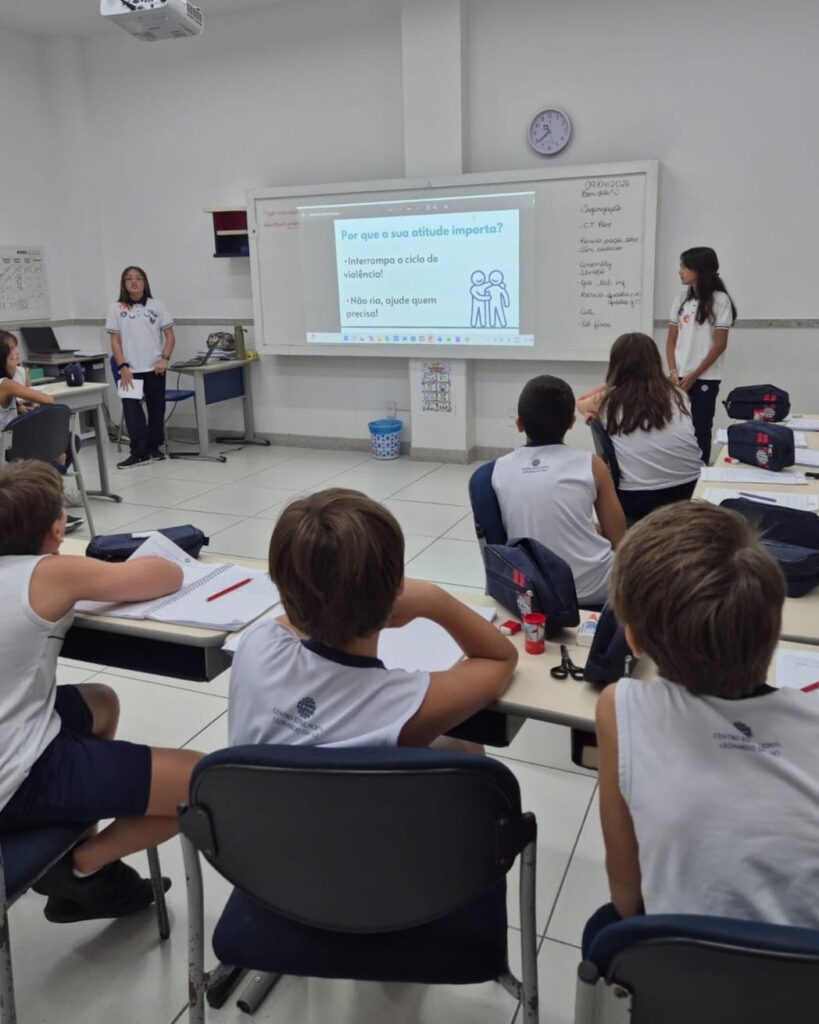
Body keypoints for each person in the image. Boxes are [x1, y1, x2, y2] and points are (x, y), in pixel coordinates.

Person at [589, 502, 819, 953]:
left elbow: (627, 899)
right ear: (774, 628)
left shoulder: (620, 707)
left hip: (675, 972)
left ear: (633, 640)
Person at [0, 460, 201, 922]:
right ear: (57, 531)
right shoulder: (50, 574)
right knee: (204, 784)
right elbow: (164, 575)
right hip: (16, 776)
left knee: (100, 702)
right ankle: (83, 865)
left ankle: (80, 852)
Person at [228, 488, 517, 749]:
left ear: (280, 584)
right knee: (466, 745)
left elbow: (300, 613)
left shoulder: (257, 644)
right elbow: (500, 659)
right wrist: (433, 599)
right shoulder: (402, 705)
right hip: (368, 793)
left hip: (253, 793)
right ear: (398, 587)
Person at [491, 375, 625, 607]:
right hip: (596, 588)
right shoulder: (592, 465)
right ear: (572, 422)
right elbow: (619, 539)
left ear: (519, 424)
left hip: (532, 590)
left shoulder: (499, 469)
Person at [576, 333, 702, 522]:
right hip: (692, 489)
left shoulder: (609, 400)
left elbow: (580, 402)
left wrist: (612, 383)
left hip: (640, 498)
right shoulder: (678, 395)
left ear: (616, 365)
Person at [0, 336, 84, 532]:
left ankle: (47, 495)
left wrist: (21, 408)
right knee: (60, 446)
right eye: (12, 358)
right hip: (7, 447)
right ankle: (50, 502)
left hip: (10, 442)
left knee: (67, 443)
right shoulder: (6, 383)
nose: (16, 361)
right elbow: (47, 400)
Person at [666, 246, 737, 463]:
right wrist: (673, 372)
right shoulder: (681, 300)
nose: (680, 271)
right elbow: (671, 341)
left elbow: (720, 344)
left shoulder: (720, 300)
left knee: (701, 429)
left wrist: (694, 375)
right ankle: (680, 474)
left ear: (699, 269)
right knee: (676, 430)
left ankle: (700, 474)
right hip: (679, 378)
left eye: (684, 266)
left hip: (705, 377)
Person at [106, 266, 175, 469]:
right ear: (124, 284)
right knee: (131, 410)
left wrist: (165, 359)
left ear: (145, 282)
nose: (134, 282)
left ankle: (154, 448)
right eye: (129, 279)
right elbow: (115, 341)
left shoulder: (157, 306)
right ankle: (138, 452)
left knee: (156, 409)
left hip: (155, 368)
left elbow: (170, 336)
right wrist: (122, 366)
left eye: (138, 278)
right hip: (129, 370)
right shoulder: (115, 308)